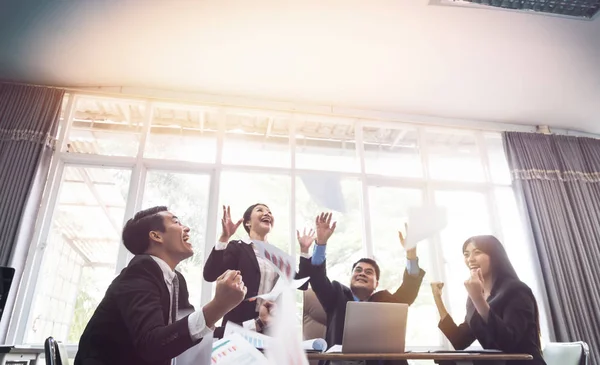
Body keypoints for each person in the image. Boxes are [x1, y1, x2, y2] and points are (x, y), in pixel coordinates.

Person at [75, 206, 247, 365]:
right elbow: (152, 345)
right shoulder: (140, 272)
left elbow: (190, 330)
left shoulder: (177, 280)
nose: (186, 228)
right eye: (176, 222)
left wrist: (256, 324)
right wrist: (219, 305)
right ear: (156, 236)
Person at [299, 212, 425, 365]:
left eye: (368, 272)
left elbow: (408, 291)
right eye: (358, 270)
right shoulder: (337, 294)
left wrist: (411, 255)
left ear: (376, 283)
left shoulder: (384, 300)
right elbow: (317, 279)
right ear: (351, 277)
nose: (362, 274)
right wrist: (321, 243)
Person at [431, 235, 546, 365]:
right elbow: (460, 341)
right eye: (466, 254)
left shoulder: (516, 290)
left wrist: (478, 299)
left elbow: (508, 343)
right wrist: (438, 299)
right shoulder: (474, 296)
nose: (470, 259)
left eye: (477, 252)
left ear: (494, 256)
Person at [203, 204, 308, 336]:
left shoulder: (276, 255)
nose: (267, 213)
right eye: (260, 210)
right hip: (239, 327)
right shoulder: (237, 247)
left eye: (269, 211)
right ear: (248, 222)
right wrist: (224, 237)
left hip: (272, 329)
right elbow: (210, 274)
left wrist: (304, 251)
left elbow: (302, 284)